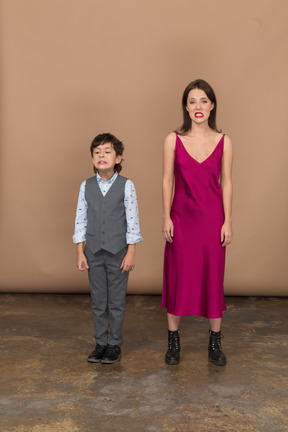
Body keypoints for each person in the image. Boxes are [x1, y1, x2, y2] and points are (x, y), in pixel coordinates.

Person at [162, 79, 233, 366]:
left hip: (212, 219)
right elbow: (167, 179)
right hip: (181, 217)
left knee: (213, 277)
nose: (198, 106)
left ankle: (214, 343)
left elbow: (226, 183)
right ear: (186, 107)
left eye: (203, 100)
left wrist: (228, 220)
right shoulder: (172, 140)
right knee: (178, 276)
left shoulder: (224, 141)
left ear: (212, 105)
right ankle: (173, 341)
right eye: (192, 101)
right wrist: (165, 215)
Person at [73, 133, 143, 364]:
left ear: (118, 158)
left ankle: (114, 344)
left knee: (116, 301)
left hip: (118, 253)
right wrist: (80, 251)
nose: (101, 155)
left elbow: (132, 221)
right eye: (97, 152)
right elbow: (80, 220)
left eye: (107, 151)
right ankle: (100, 342)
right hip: (93, 252)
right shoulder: (86, 186)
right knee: (98, 300)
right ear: (92, 159)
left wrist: (131, 252)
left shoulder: (126, 185)